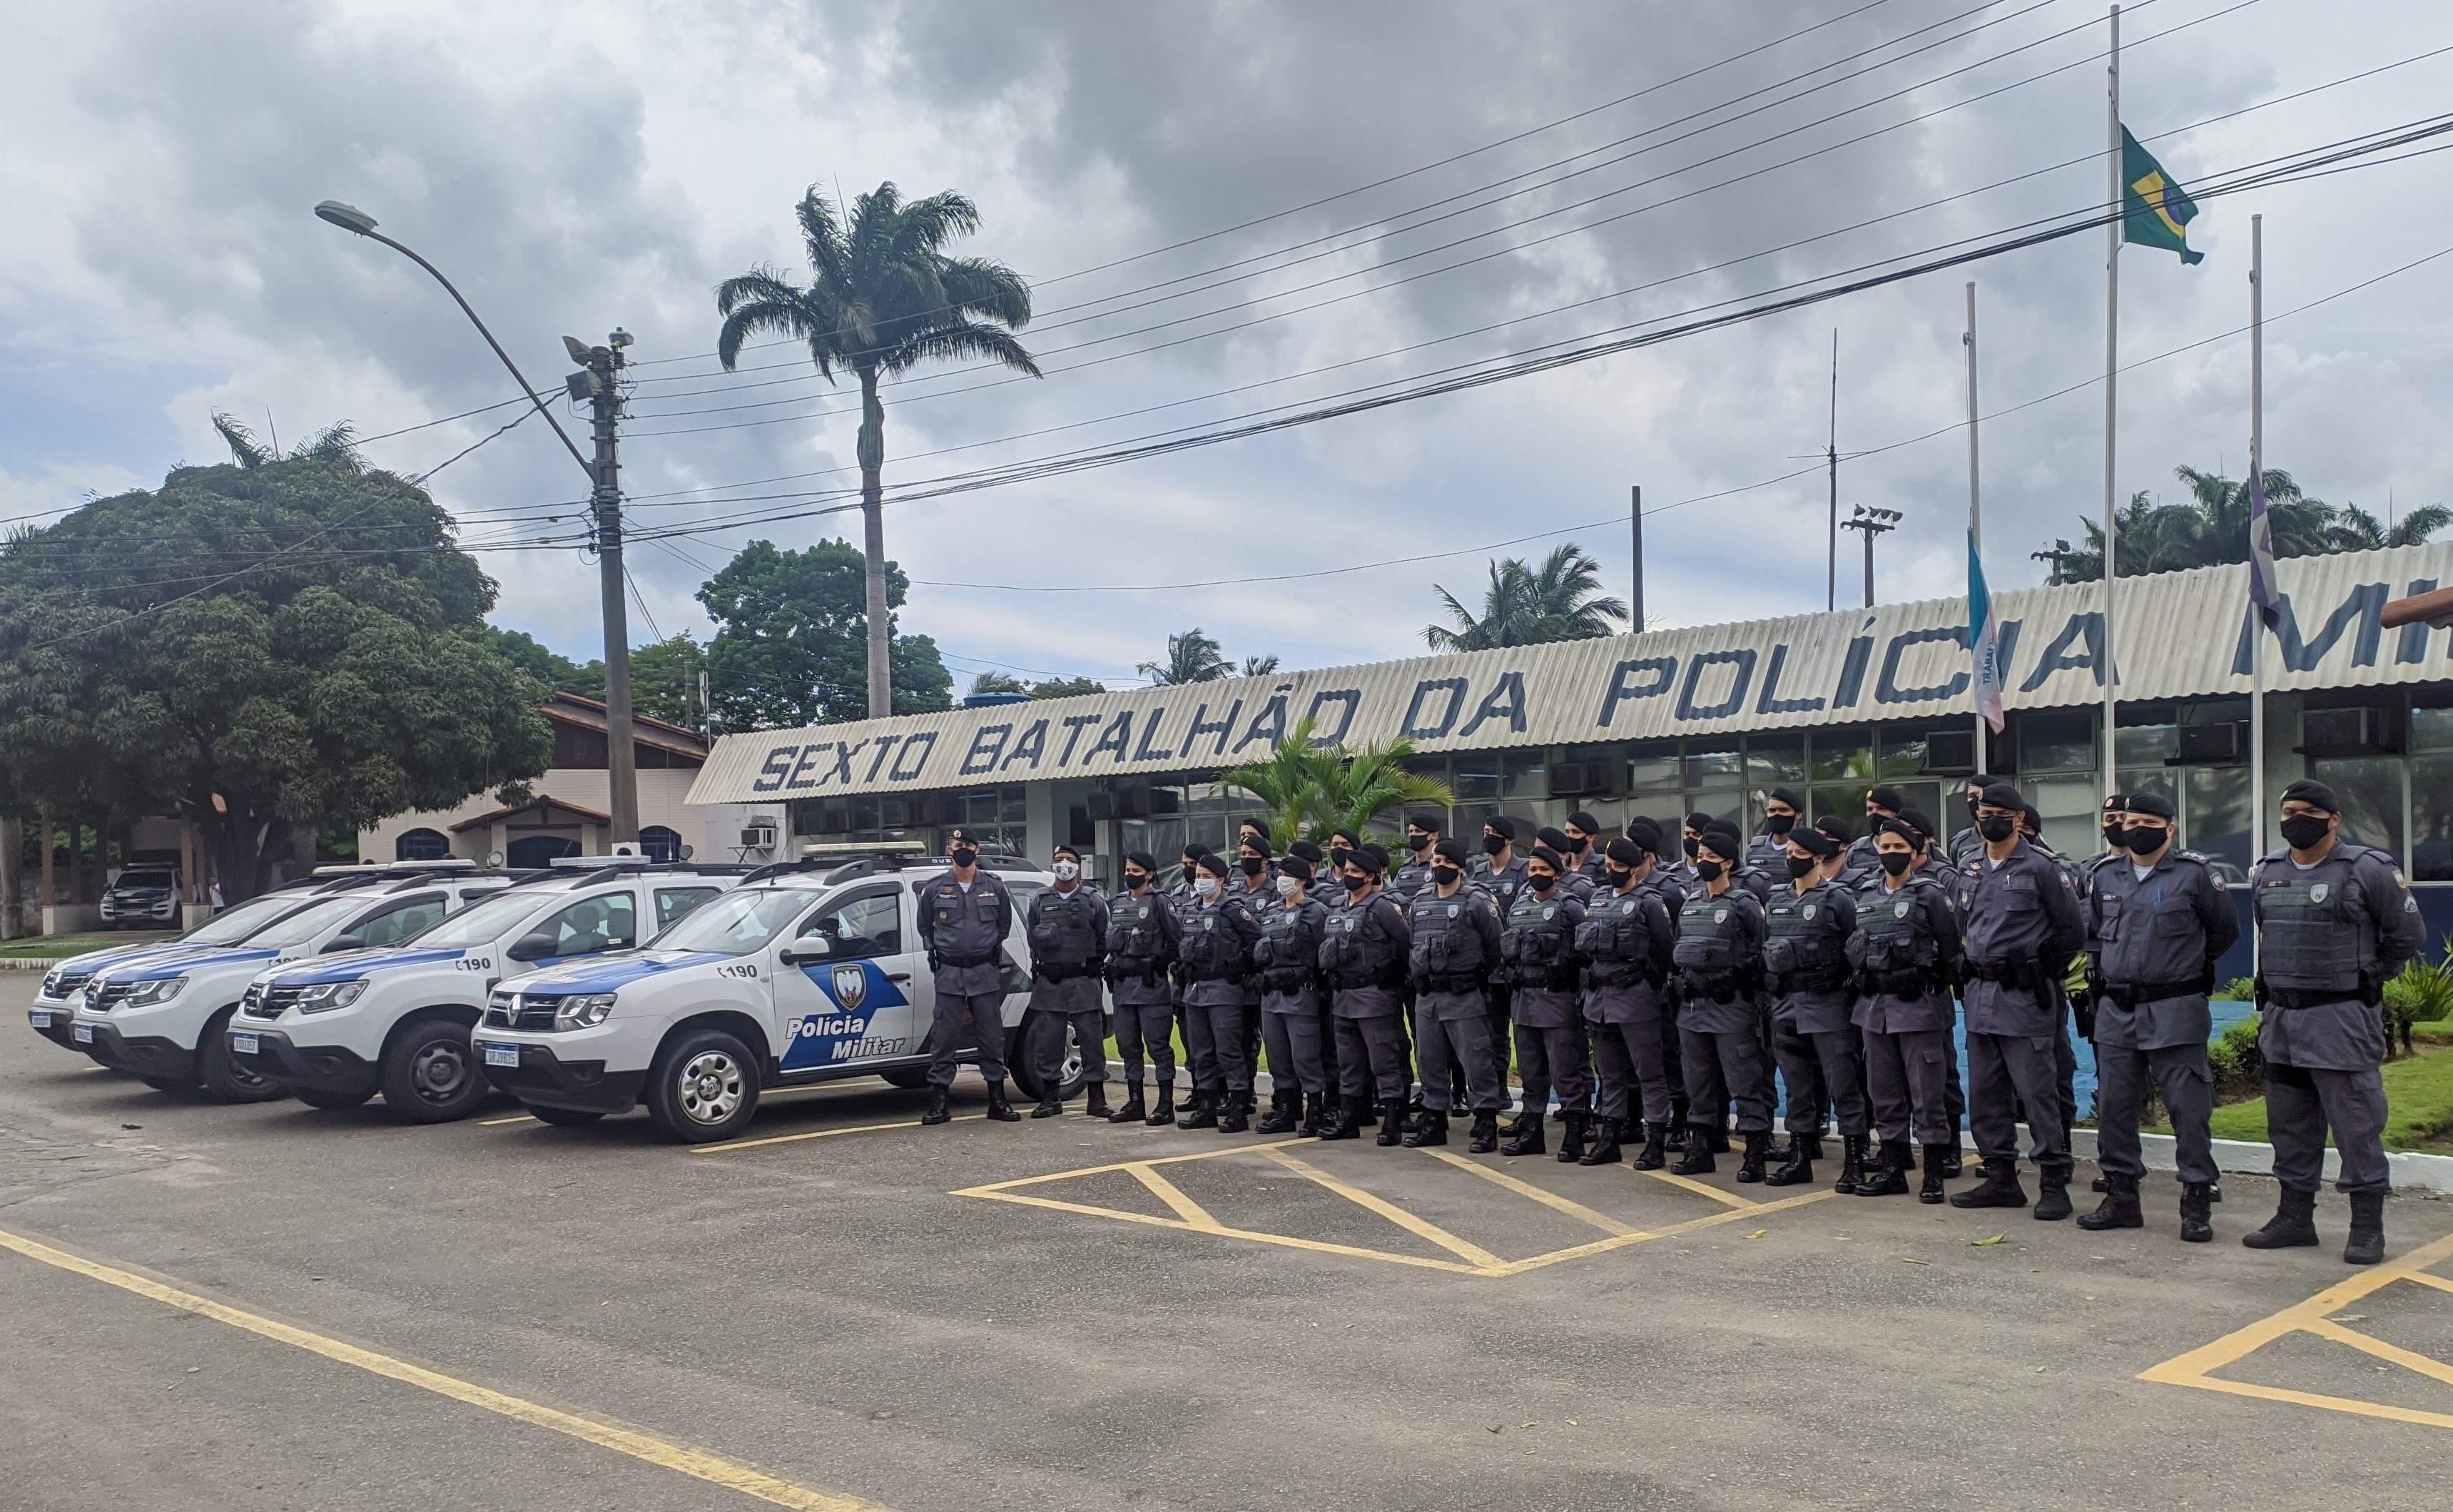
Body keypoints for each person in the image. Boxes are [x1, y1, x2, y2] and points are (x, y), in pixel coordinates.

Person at [2243, 779, 2424, 1266]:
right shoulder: (2267, 871)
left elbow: (2406, 935)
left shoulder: (2368, 869)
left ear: (2333, 818)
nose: (2294, 818)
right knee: (2289, 1127)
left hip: (2340, 1017)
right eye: (2287, 811)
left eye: (2306, 810)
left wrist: (2368, 977)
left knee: (2356, 1125)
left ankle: (2366, 1228)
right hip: (2282, 1019)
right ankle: (2294, 1218)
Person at [2078, 793, 2239, 1241]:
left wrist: (2180, 967)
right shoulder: (2104, 875)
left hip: (2175, 1009)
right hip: (2116, 1010)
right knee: (2114, 1107)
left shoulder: (2196, 874)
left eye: (2149, 822)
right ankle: (2122, 1197)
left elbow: (2225, 931)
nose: (2137, 828)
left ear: (2170, 828)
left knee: (2188, 1109)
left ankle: (2196, 1200)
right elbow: (2091, 934)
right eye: (2131, 821)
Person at [1951, 783, 2087, 1219]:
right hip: (1980, 998)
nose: (1989, 819)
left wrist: (2042, 967)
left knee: (2037, 1092)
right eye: (1983, 811)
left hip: (2024, 997)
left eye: (1999, 813)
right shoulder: (1970, 866)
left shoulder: (2043, 868)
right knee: (1986, 1094)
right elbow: (1963, 925)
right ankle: (2000, 1177)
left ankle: (2053, 1181)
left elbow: (2071, 931)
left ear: (2018, 819)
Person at [1847, 818, 1965, 1200]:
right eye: (1885, 848)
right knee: (1884, 1093)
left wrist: (1926, 980)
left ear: (1916, 853)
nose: (1892, 854)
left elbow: (1951, 954)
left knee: (1927, 1093)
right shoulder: (1865, 894)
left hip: (1919, 1009)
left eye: (1900, 848)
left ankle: (1934, 1172)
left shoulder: (1930, 894)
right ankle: (1893, 1169)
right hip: (1875, 1010)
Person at [1763, 823, 1867, 1191]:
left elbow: (1855, 953)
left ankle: (1855, 1160)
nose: (1792, 860)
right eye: (1788, 854)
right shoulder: (1776, 900)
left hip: (1828, 1006)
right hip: (1787, 1006)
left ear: (1819, 857)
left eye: (1799, 855)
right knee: (1798, 1088)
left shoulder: (1838, 899)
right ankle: (1800, 1157)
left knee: (1843, 1086)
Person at [1670, 828, 1775, 1178]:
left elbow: (1763, 955)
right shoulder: (1691, 904)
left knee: (1744, 1080)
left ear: (1729, 863)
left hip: (1732, 1008)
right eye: (1701, 858)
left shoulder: (1744, 904)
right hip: (1693, 1008)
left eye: (1712, 859)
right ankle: (1701, 1150)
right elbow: (1677, 954)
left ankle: (1755, 1154)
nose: (1704, 864)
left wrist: (1736, 977)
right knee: (1697, 1082)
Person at [1577, 836, 1677, 1168]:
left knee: (1649, 1073)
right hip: (1600, 1001)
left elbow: (1665, 949)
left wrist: (1649, 983)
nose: (1612, 872)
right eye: (1608, 866)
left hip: (1636, 1000)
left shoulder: (1650, 901)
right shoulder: (1598, 898)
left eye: (1619, 867)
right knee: (1610, 1075)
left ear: (1635, 868)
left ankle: (1656, 1141)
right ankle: (1610, 1138)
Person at [1405, 838, 1506, 1151]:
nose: (1439, 866)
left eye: (1447, 862)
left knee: (1477, 1060)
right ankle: (1434, 1121)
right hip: (1428, 997)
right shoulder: (1420, 901)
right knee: (1429, 1060)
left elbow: (1496, 946)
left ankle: (1487, 1121)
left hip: (1465, 995)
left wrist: (1476, 977)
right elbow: (1412, 941)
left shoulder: (1477, 901)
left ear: (1460, 867)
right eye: (1436, 861)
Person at [916, 828, 1021, 1126]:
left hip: (984, 972)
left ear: (977, 850)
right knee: (944, 1037)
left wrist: (984, 951)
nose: (963, 849)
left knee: (992, 1037)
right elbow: (925, 927)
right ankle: (939, 1103)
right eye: (958, 844)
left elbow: (1004, 926)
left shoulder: (994, 887)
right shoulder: (935, 888)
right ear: (950, 849)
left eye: (969, 845)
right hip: (949, 972)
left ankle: (997, 1101)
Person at [1496, 846, 1588, 1158]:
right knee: (1531, 1073)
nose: (1536, 875)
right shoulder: (1519, 907)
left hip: (1557, 1002)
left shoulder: (1571, 907)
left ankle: (1575, 1134)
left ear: (1558, 875)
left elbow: (1586, 954)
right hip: (1524, 1003)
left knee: (1565, 1072)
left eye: (1543, 871)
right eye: (1532, 870)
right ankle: (1532, 1134)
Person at [1319, 844, 1411, 1145]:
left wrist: (1389, 977)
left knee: (1384, 1060)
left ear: (1371, 877)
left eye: (1356, 873)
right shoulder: (1337, 906)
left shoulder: (1383, 906)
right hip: (1343, 996)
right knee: (1348, 1062)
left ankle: (1393, 1122)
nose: (1349, 877)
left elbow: (1404, 945)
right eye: (1347, 872)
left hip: (1375, 996)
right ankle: (1350, 1119)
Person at [1177, 852, 1263, 1133]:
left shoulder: (1232, 909)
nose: (1200, 881)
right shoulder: (1191, 909)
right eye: (1198, 876)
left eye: (1206, 877)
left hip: (1225, 989)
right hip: (1196, 989)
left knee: (1229, 1051)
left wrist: (1241, 963)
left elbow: (1257, 941)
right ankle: (1206, 1108)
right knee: (1201, 1052)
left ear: (1222, 880)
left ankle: (1238, 1109)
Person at [1024, 844, 1111, 1119]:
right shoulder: (1039, 900)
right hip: (1050, 982)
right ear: (1052, 866)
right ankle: (1050, 1098)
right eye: (1059, 860)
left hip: (1084, 980)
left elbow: (1103, 938)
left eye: (1070, 860)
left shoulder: (1093, 900)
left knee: (1091, 1040)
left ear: (1079, 867)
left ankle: (1097, 1098)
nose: (1065, 865)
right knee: (1048, 1041)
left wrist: (1093, 962)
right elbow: (1031, 938)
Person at [1254, 854, 1332, 1135]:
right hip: (1272, 994)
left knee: (1305, 1055)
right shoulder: (1272, 911)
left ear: (1301, 880)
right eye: (1279, 874)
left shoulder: (1316, 911)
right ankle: (1286, 1110)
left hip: (1301, 993)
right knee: (1278, 1055)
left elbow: (1325, 955)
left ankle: (1316, 1109)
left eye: (1286, 875)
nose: (1281, 879)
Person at [1105, 852, 1182, 1127]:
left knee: (1158, 1047)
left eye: (1136, 870)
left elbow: (1176, 941)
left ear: (1149, 874)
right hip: (1124, 988)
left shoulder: (1160, 902)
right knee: (1128, 1046)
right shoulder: (1117, 902)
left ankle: (1165, 1104)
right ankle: (1135, 1101)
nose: (1130, 874)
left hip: (1151, 988)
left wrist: (1160, 963)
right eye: (1127, 869)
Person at [1947, 775, 2001, 871]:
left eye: (1978, 795)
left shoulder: (2010, 835)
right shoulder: (1960, 841)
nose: (1974, 801)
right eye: (1971, 796)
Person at [1748, 788, 1804, 873]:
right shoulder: (1753, 849)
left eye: (1783, 810)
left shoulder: (1807, 849)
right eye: (1772, 810)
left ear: (1798, 815)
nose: (1777, 814)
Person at [1392, 814, 1443, 901]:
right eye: (1411, 831)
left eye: (1418, 831)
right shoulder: (1404, 869)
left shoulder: (1443, 866)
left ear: (1434, 835)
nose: (1412, 835)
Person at [1563, 811, 1610, 886]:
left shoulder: (1604, 865)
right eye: (1567, 832)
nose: (1570, 836)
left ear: (1591, 837)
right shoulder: (1560, 865)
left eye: (1576, 832)